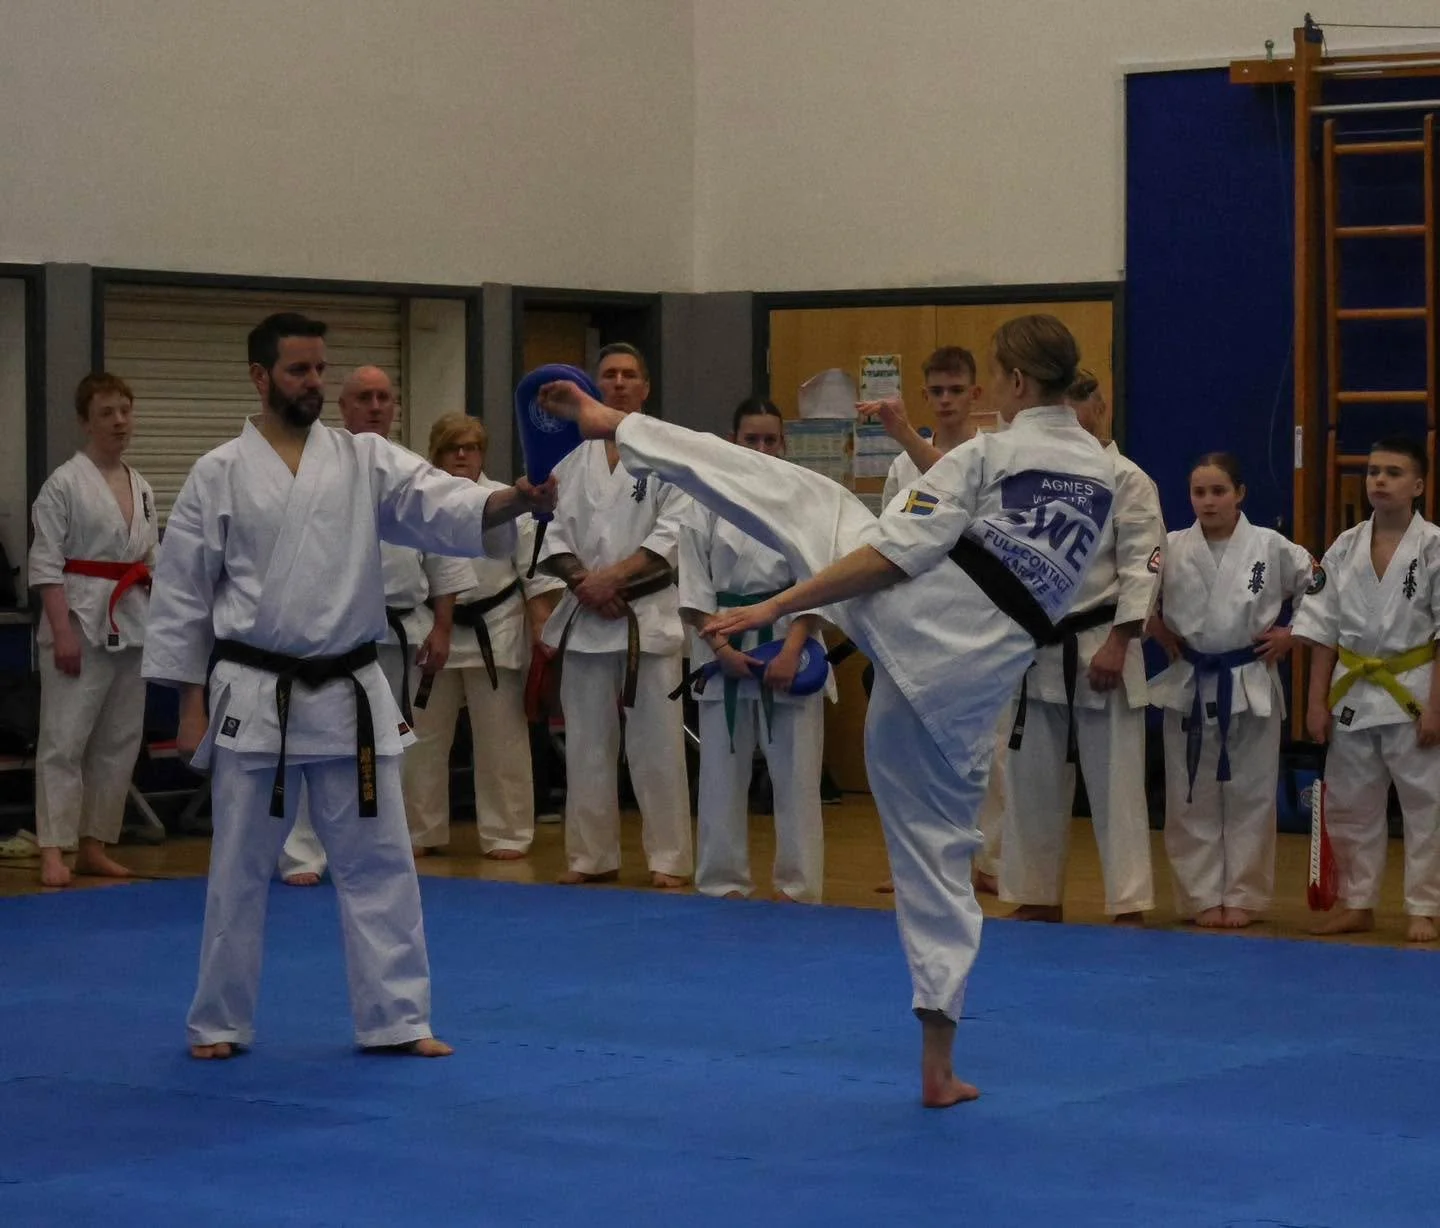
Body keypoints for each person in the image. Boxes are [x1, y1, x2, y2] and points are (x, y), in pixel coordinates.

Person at [539, 314, 1116, 1108]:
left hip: (916, 627)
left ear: (1014, 384)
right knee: (944, 863)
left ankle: (622, 427)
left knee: (797, 492)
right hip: (971, 686)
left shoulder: (989, 452)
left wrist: (780, 603)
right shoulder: (1102, 473)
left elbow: (887, 558)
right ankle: (940, 1065)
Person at [142, 312, 554, 1060]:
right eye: (297, 370)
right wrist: (187, 703)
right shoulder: (218, 471)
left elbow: (442, 503)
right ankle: (218, 1021)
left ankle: (398, 1017)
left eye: (319, 369)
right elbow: (182, 596)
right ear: (260, 377)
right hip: (255, 693)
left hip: (349, 695)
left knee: (381, 863)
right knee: (237, 869)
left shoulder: (363, 459)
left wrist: (517, 501)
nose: (313, 383)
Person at [276, 366, 474, 885]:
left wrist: (443, 627)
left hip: (401, 630)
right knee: (312, 743)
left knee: (388, 749)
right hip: (329, 636)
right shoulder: (311, 468)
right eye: (364, 397)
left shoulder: (410, 471)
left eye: (385, 396)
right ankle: (302, 854)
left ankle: (367, 852)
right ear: (342, 407)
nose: (376, 405)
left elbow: (444, 560)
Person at [998, 371, 1164, 925]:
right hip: (1035, 648)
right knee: (1030, 780)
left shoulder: (1128, 478)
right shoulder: (1039, 478)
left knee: (1117, 785)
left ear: (1100, 404)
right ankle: (1037, 894)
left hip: (1103, 643)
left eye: (1080, 400)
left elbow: (1144, 566)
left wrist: (1121, 639)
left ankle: (1129, 902)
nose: (1071, 412)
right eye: (1062, 402)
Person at [537, 343, 695, 889]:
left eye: (630, 375)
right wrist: (586, 582)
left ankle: (669, 859)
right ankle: (590, 856)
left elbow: (675, 534)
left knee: (658, 749)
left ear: (646, 388)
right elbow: (549, 534)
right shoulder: (568, 462)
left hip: (645, 620)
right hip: (586, 619)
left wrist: (614, 578)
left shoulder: (667, 456)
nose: (620, 383)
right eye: (609, 375)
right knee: (585, 747)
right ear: (593, 386)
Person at [1147, 453, 1314, 928]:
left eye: (1218, 491)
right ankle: (1201, 896)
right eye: (1199, 492)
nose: (1208, 501)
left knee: (1251, 793)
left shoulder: (1270, 545)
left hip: (1250, 680)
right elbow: (1133, 589)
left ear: (1239, 493)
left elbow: (1320, 586)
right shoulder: (1171, 546)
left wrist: (1292, 634)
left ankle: (1243, 894)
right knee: (1190, 794)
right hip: (1190, 680)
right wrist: (1155, 625)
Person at [680, 397, 832, 903]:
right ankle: (722, 881)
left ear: (785, 444)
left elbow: (822, 582)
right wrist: (720, 647)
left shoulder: (808, 501)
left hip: (791, 644)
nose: (762, 448)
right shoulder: (704, 498)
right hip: (722, 643)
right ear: (733, 441)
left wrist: (791, 650)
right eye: (752, 439)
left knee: (797, 780)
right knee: (720, 777)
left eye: (771, 439)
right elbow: (693, 588)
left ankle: (798, 885)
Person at [867, 347, 1006, 894]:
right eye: (937, 391)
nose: (946, 400)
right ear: (926, 395)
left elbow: (975, 518)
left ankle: (989, 862)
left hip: (978, 618)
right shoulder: (902, 466)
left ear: (976, 394)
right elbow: (887, 536)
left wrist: (904, 432)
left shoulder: (991, 455)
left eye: (956, 390)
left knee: (986, 751)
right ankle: (918, 863)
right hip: (916, 619)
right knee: (912, 748)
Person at [1292, 437, 1440, 943]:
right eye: (1374, 470)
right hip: (1351, 694)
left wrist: (1435, 709)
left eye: (1394, 472)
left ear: (1418, 485)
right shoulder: (1344, 546)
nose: (1380, 480)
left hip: (1414, 691)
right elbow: (1321, 631)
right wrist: (1315, 703)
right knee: (1350, 805)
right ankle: (1358, 902)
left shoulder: (1435, 546)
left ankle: (1425, 906)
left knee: (1428, 805)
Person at [404, 413, 564, 858]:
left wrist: (541, 629)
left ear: (482, 454)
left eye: (470, 447)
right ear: (435, 453)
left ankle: (507, 832)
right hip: (429, 627)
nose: (461, 455)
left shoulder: (508, 501)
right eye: (452, 447)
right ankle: (421, 830)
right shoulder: (417, 502)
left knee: (502, 738)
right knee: (423, 739)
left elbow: (533, 571)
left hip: (495, 625)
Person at [29, 373, 158, 888]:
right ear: (85, 421)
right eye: (106, 412)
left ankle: (93, 844)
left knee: (118, 741)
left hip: (132, 619)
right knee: (64, 741)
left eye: (125, 410)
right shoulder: (63, 483)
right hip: (78, 621)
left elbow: (151, 557)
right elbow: (44, 565)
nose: (119, 421)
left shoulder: (142, 485)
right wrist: (61, 632)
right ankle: (52, 850)